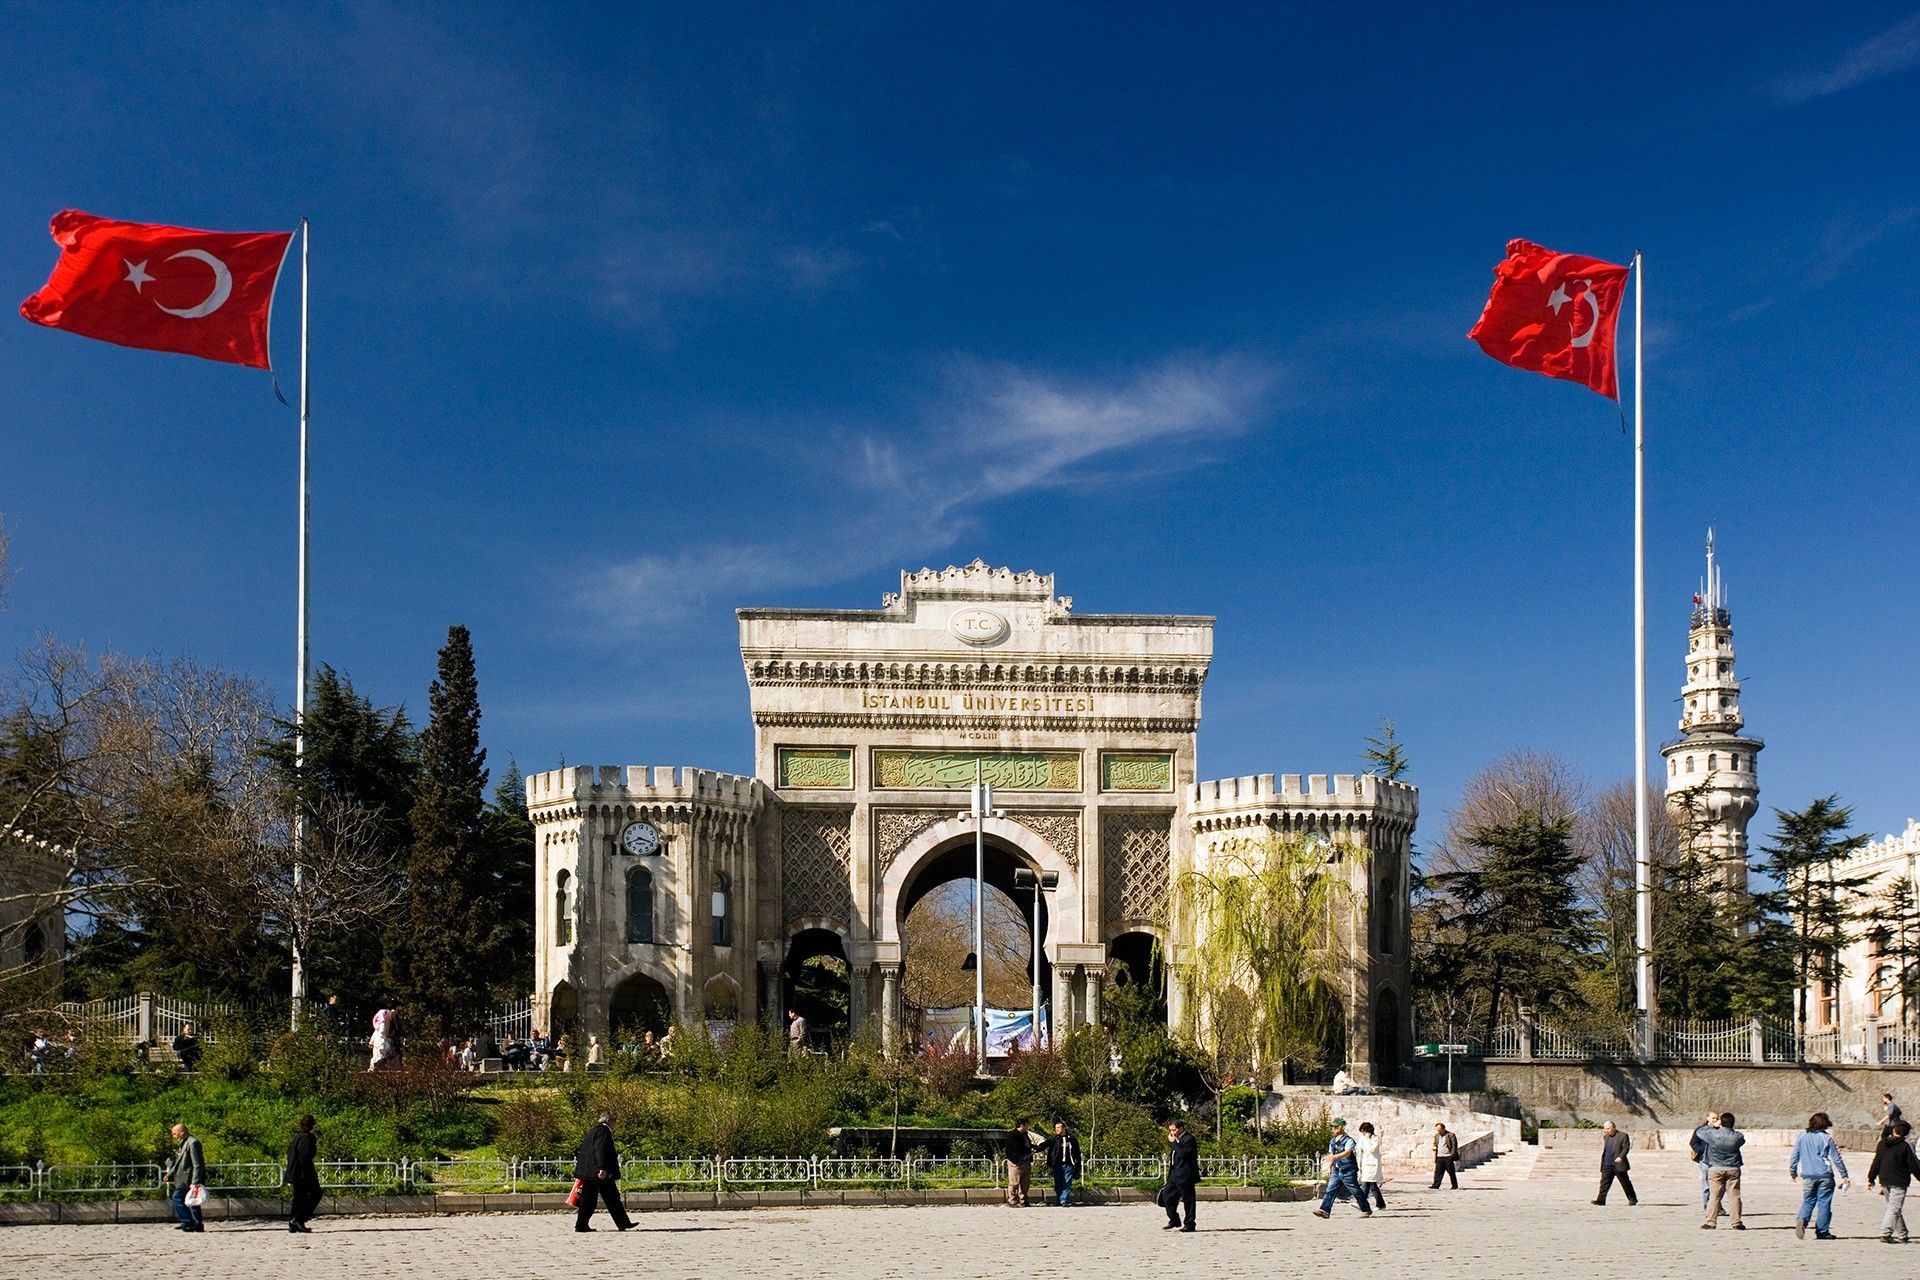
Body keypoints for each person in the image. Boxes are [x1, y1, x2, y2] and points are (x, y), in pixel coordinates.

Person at [1790, 1111, 1851, 1240]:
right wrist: (1844, 1175)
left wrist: (1793, 1171)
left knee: (1808, 1201)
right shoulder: (1827, 1138)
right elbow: (1837, 1158)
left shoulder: (1801, 1136)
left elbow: (1795, 1155)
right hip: (1825, 1174)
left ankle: (1802, 1219)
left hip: (1808, 1174)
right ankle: (1822, 1231)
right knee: (1824, 1203)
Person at [573, 1112, 634, 1232]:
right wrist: (603, 1168)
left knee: (593, 1199)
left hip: (590, 1172)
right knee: (608, 1199)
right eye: (614, 1121)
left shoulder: (594, 1130)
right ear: (608, 1121)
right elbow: (601, 1150)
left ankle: (582, 1225)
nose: (614, 1124)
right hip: (598, 1173)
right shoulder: (603, 1132)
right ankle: (622, 1223)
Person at [1868, 1118, 1918, 1244]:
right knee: (1894, 1208)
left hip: (1884, 1179)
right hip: (1899, 1181)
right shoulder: (1905, 1145)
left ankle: (1902, 1234)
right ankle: (1885, 1233)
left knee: (1894, 1208)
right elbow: (1914, 1165)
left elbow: (1876, 1162)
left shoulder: (1882, 1143)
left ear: (1894, 1130)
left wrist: (1871, 1178)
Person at [1313, 1118, 1371, 1219]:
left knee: (1355, 1190)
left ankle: (1366, 1209)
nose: (1334, 1129)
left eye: (1336, 1126)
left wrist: (1335, 1157)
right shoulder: (1332, 1141)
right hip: (1337, 1169)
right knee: (1330, 1189)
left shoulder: (1348, 1140)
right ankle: (1324, 1210)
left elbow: (1347, 1152)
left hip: (1348, 1169)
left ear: (1342, 1127)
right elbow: (1332, 1154)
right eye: (1333, 1127)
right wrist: (1329, 1166)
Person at [1699, 1112, 1745, 1229]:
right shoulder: (1737, 1136)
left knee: (1715, 1196)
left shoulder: (1712, 1134)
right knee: (1734, 1196)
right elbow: (1742, 1141)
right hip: (1733, 1168)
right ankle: (1736, 1222)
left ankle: (1711, 1222)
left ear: (1721, 1122)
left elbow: (1699, 1132)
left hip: (1716, 1168)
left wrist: (1713, 1124)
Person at [164, 1122, 207, 1232]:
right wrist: (169, 1174)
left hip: (188, 1178)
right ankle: (197, 1225)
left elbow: (198, 1164)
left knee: (177, 1197)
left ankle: (188, 1222)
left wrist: (196, 1181)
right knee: (192, 1201)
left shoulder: (193, 1143)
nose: (174, 1136)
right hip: (185, 1178)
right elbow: (179, 1162)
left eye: (175, 1134)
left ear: (182, 1132)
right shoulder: (185, 1142)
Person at [286, 1114, 321, 1233]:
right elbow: (304, 1156)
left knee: (299, 1197)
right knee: (316, 1194)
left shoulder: (297, 1137)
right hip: (303, 1173)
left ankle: (293, 1222)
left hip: (294, 1172)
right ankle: (299, 1219)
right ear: (312, 1125)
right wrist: (309, 1172)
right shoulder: (307, 1138)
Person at [1162, 1119, 1198, 1232]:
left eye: (1174, 1129)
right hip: (1174, 1174)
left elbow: (1183, 1154)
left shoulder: (1189, 1139)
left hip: (1186, 1174)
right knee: (1166, 1196)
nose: (1172, 1132)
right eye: (1171, 1130)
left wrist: (1173, 1143)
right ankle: (1174, 1219)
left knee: (1188, 1200)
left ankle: (1190, 1224)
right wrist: (1174, 1142)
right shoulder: (1175, 1139)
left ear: (1181, 1128)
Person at [1592, 1121, 1636, 1207]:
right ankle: (1601, 1200)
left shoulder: (1623, 1136)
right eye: (1605, 1128)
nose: (1606, 1130)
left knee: (1625, 1182)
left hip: (1618, 1164)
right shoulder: (1606, 1137)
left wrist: (1621, 1156)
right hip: (1607, 1164)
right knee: (1604, 1183)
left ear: (1613, 1128)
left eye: (1607, 1128)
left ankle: (1633, 1199)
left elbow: (1625, 1148)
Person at [1004, 1119, 1041, 1206]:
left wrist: (1037, 1148)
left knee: (1025, 1183)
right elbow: (1017, 1148)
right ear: (1022, 1125)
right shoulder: (1013, 1135)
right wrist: (1029, 1151)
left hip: (1026, 1161)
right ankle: (1012, 1200)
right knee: (1014, 1182)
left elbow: (1028, 1145)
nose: (1027, 1127)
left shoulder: (1025, 1135)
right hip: (1016, 1162)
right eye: (1026, 1125)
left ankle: (1024, 1200)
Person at [1044, 1120, 1081, 1207]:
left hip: (1068, 1164)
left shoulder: (1071, 1138)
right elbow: (1044, 1145)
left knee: (1067, 1182)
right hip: (1057, 1164)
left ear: (1064, 1128)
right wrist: (1034, 1148)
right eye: (1056, 1128)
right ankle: (1059, 1199)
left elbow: (1077, 1152)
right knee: (1058, 1182)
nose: (1057, 1129)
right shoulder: (1053, 1138)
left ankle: (1064, 1200)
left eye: (1059, 1127)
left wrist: (1078, 1163)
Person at [1354, 1121, 1386, 1210]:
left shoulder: (1375, 1139)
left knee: (1367, 1184)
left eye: (1364, 1131)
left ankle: (1361, 1202)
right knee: (1372, 1185)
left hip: (1372, 1165)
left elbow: (1371, 1150)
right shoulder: (1362, 1138)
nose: (1363, 1134)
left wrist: (1367, 1139)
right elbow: (1358, 1149)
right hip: (1365, 1164)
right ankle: (1381, 1204)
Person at [1431, 1122, 1459, 1190]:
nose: (1438, 1131)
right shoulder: (1436, 1136)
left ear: (1443, 1129)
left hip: (1447, 1157)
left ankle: (1454, 1185)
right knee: (1438, 1172)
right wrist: (1434, 1147)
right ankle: (1436, 1185)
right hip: (1439, 1156)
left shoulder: (1450, 1135)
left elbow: (1454, 1146)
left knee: (1451, 1172)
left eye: (1440, 1129)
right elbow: (1435, 1143)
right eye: (1437, 1130)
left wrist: (1451, 1156)